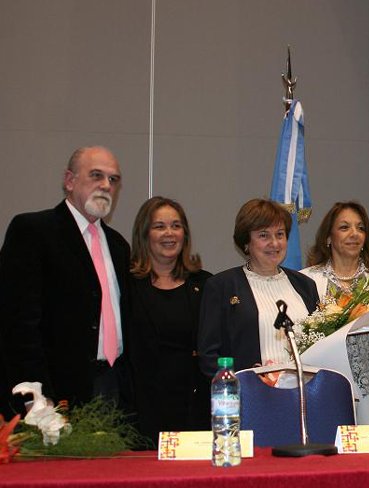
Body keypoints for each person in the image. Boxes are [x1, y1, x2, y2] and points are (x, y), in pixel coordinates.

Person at [0, 146, 131, 412]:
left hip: (111, 386)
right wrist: (35, 397)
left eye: (113, 179)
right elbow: (17, 325)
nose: (106, 185)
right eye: (96, 175)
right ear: (69, 181)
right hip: (53, 391)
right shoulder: (33, 232)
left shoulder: (118, 246)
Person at [301, 201, 369, 425]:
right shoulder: (307, 280)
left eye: (360, 228)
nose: (354, 234)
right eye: (344, 227)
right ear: (328, 238)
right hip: (323, 391)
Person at [197, 199, 319, 376]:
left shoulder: (305, 285)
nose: (274, 243)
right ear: (246, 242)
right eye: (264, 235)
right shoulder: (221, 286)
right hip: (250, 397)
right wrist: (243, 383)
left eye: (280, 234)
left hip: (303, 394)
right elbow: (209, 357)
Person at [128, 197, 212, 443]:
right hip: (142, 412)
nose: (169, 233)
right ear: (144, 234)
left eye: (176, 226)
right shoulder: (126, 285)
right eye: (159, 226)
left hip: (195, 410)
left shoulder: (206, 284)